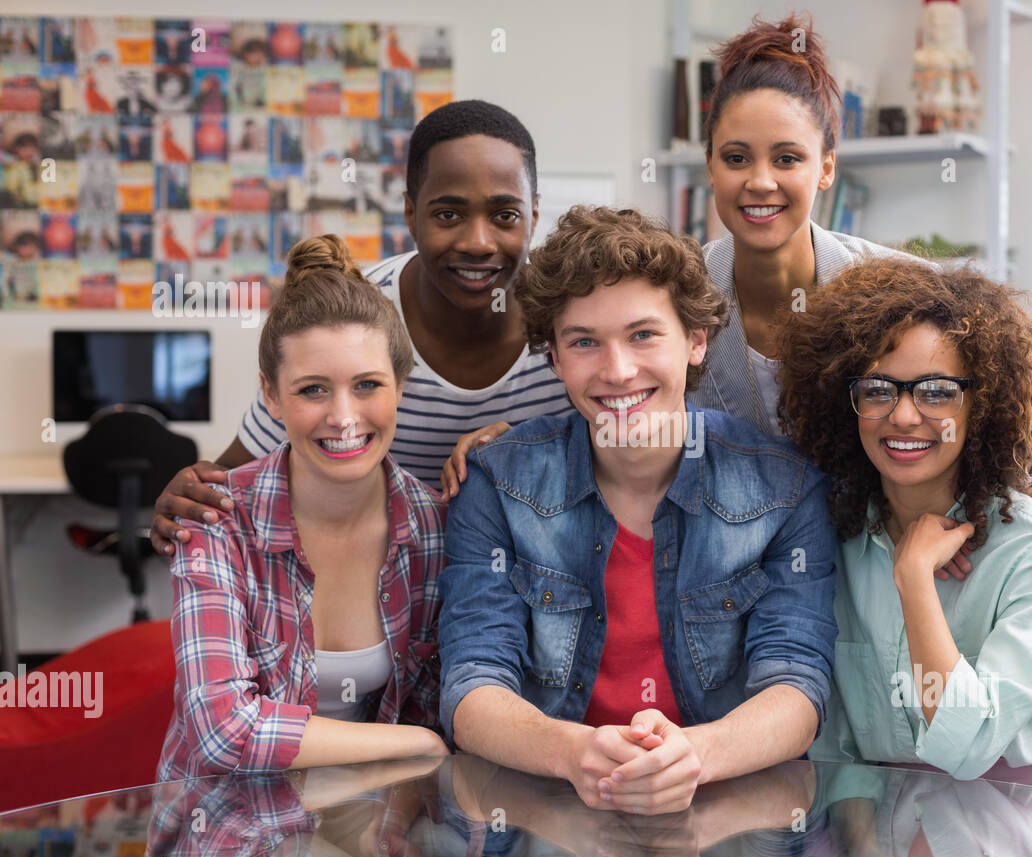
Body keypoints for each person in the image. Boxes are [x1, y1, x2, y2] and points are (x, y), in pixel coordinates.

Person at [436, 206, 837, 815]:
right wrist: (573, 752)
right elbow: (471, 686)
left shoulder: (785, 486)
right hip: (543, 816)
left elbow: (799, 685)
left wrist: (695, 754)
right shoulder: (494, 482)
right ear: (555, 359)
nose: (617, 370)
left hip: (730, 817)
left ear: (696, 341)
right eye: (584, 342)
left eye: (643, 335)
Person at [691, 13, 1032, 586]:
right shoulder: (678, 295)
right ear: (709, 165)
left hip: (876, 573)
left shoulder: (903, 291)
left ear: (826, 166)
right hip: (727, 587)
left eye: (787, 158)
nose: (760, 181)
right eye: (736, 158)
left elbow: (963, 420)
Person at [149, 100, 571, 557]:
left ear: (532, 215)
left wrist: (532, 446)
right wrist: (192, 494)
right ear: (411, 213)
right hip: (385, 590)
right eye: (448, 214)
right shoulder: (355, 316)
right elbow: (236, 474)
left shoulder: (573, 321)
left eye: (504, 215)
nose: (477, 242)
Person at [779, 254, 1032, 794]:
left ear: (984, 406)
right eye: (878, 389)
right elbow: (839, 742)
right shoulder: (828, 536)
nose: (903, 416)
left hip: (1015, 820)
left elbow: (969, 746)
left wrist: (914, 578)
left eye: (938, 392)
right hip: (876, 823)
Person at [155, 234, 446, 781]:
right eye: (313, 390)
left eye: (367, 385)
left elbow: (437, 697)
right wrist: (418, 743)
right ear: (270, 394)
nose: (343, 416)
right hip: (232, 831)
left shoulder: (435, 527)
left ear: (401, 386)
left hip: (377, 823)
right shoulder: (218, 522)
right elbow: (223, 734)